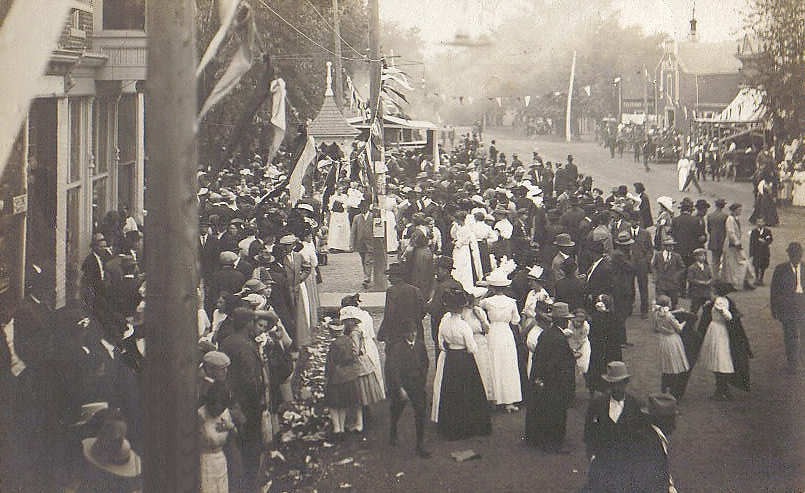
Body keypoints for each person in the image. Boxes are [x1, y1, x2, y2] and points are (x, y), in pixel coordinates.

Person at [430, 287, 492, 440]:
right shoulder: (463, 326)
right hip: (464, 359)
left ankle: (451, 426)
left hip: (451, 358)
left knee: (451, 392)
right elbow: (472, 348)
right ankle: (468, 425)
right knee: (468, 392)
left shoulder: (444, 322)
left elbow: (440, 343)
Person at [583, 361, 647, 493]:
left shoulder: (635, 405)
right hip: (603, 461)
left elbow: (641, 437)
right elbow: (589, 433)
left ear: (625, 382)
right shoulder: (597, 404)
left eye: (619, 383)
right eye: (611, 384)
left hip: (626, 464)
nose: (615, 388)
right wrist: (592, 456)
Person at [524, 302, 576, 452]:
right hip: (554, 382)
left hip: (544, 379)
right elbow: (554, 363)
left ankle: (539, 438)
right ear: (563, 320)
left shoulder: (547, 333)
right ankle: (553, 443)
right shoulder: (558, 338)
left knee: (542, 409)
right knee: (556, 412)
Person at [479, 269, 523, 411]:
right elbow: (516, 320)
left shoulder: (486, 302)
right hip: (506, 332)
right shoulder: (511, 302)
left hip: (493, 332)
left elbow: (478, 306)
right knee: (507, 364)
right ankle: (509, 399)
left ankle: (494, 397)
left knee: (493, 362)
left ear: (492, 287)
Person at [386, 323, 431, 458]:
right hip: (403, 385)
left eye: (414, 332)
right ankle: (393, 429)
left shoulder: (420, 345)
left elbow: (426, 363)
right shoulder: (397, 348)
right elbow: (394, 370)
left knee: (421, 412)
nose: (412, 335)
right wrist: (400, 388)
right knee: (397, 409)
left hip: (417, 384)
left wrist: (422, 379)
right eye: (409, 332)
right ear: (404, 333)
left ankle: (420, 444)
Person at [338, 307, 385, 433]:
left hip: (358, 365)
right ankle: (362, 419)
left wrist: (344, 356)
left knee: (358, 393)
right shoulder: (356, 331)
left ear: (351, 321)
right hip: (360, 362)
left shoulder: (354, 333)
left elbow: (355, 350)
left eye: (346, 321)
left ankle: (360, 423)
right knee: (359, 394)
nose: (344, 324)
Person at [770, 242, 805, 374]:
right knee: (790, 336)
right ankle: (792, 364)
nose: (796, 258)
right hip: (788, 307)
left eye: (798, 255)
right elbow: (774, 291)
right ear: (789, 255)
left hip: (803, 305)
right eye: (793, 256)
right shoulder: (781, 269)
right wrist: (775, 310)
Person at [198, 381, 237, 493]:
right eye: (216, 409)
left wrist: (231, 427)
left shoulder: (225, 413)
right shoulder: (200, 415)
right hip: (205, 462)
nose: (219, 412)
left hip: (221, 460)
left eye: (222, 409)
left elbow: (235, 435)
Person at [652, 296, 689, 400]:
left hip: (663, 340)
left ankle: (663, 390)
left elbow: (656, 327)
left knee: (666, 366)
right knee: (674, 366)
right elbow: (679, 328)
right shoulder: (669, 316)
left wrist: (678, 311)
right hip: (672, 341)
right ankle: (673, 393)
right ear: (667, 305)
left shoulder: (657, 314)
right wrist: (685, 321)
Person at [721, 203, 756, 291]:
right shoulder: (730, 219)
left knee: (742, 263)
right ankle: (733, 284)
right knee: (733, 265)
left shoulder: (735, 219)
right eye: (739, 209)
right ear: (734, 210)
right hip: (731, 245)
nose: (740, 211)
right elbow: (730, 232)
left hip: (736, 244)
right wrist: (736, 242)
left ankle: (745, 281)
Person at [652, 237, 685, 309]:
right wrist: (655, 276)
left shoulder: (676, 256)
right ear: (664, 246)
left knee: (673, 301)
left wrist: (676, 276)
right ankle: (661, 317)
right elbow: (654, 266)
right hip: (661, 282)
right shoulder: (658, 255)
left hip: (672, 282)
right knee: (661, 301)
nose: (670, 247)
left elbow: (682, 267)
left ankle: (672, 315)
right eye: (668, 245)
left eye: (672, 245)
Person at [350, 200, 375, 288]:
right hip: (360, 243)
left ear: (368, 207)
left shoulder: (373, 217)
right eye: (361, 207)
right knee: (363, 260)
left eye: (364, 207)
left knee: (368, 261)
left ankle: (367, 278)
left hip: (370, 243)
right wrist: (351, 244)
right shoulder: (356, 217)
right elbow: (353, 231)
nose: (363, 209)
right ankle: (366, 275)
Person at [686, 248, 714, 315]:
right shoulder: (692, 268)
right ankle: (691, 322)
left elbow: (711, 277)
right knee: (694, 309)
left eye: (704, 255)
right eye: (700, 255)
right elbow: (690, 279)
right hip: (696, 292)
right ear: (696, 257)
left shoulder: (707, 267)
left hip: (706, 292)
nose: (703, 257)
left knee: (707, 309)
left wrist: (709, 281)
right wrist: (700, 282)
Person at [707, 198, 728, 278]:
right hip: (723, 239)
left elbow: (709, 229)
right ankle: (722, 277)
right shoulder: (725, 216)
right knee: (724, 259)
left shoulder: (710, 216)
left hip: (713, 240)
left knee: (714, 260)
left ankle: (715, 276)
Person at [749, 217, 773, 286]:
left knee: (763, 265)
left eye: (761, 222)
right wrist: (751, 252)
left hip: (764, 252)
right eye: (758, 222)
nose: (759, 223)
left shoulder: (767, 231)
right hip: (756, 252)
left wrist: (765, 241)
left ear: (764, 223)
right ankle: (757, 278)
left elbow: (770, 239)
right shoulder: (754, 231)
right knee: (756, 265)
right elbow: (751, 242)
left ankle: (761, 278)